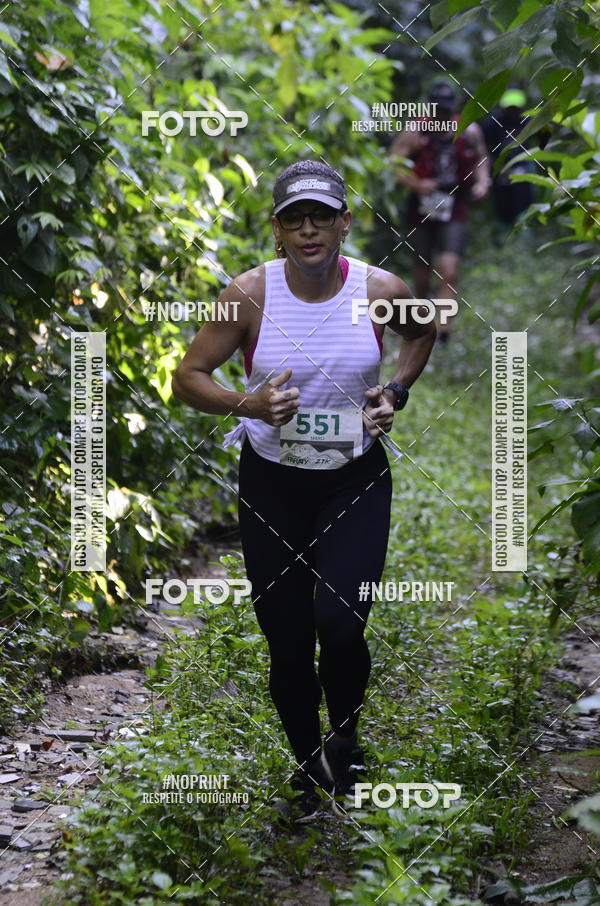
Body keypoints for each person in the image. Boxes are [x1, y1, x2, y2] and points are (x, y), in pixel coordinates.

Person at [172, 159, 436, 822]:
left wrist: (394, 392)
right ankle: (305, 769)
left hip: (354, 479)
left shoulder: (381, 289)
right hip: (273, 485)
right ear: (278, 230)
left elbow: (424, 329)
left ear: (346, 222)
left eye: (322, 215)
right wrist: (249, 404)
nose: (310, 229)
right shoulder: (249, 295)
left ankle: (343, 737)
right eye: (295, 218)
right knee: (287, 640)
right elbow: (188, 376)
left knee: (340, 625)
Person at [389, 81, 490, 342]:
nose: (441, 116)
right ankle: (421, 321)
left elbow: (481, 158)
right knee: (422, 272)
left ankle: (443, 330)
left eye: (446, 111)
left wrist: (482, 182)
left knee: (450, 269)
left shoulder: (468, 130)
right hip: (421, 206)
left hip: (454, 205)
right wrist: (416, 183)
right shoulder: (415, 130)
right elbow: (394, 163)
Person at [482, 89, 534, 236]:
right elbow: (486, 149)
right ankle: (503, 238)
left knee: (524, 203)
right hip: (500, 169)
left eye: (515, 108)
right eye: (509, 108)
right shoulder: (492, 124)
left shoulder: (528, 121)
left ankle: (523, 238)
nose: (512, 111)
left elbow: (543, 138)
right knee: (502, 205)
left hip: (523, 167)